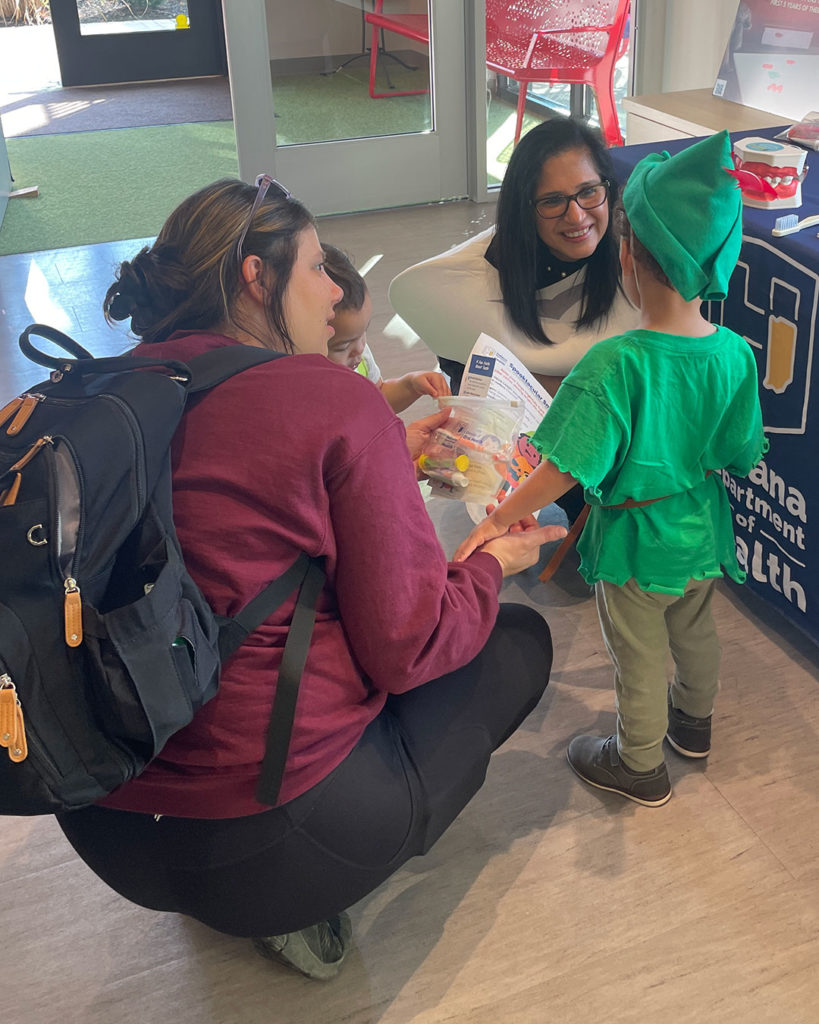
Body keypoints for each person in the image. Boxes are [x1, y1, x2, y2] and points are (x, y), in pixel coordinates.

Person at [53, 174, 567, 981]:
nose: (333, 291)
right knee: (511, 641)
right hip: (266, 842)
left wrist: (383, 457)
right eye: (316, 268)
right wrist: (491, 563)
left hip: (98, 818)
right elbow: (409, 645)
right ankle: (302, 907)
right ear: (255, 279)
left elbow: (222, 509)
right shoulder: (327, 397)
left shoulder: (103, 389)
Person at [454, 131, 767, 808]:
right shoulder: (736, 354)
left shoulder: (612, 365)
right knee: (695, 632)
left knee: (638, 654)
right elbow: (741, 454)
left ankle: (637, 764)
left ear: (626, 254)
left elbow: (562, 470)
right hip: (703, 534)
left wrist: (501, 517)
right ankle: (694, 727)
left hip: (633, 544)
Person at [389, 116, 639, 399]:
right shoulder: (465, 285)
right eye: (553, 200)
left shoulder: (639, 252)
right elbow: (481, 394)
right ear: (524, 208)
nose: (577, 216)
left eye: (589, 191)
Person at [322, 243, 451, 413]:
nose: (359, 349)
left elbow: (377, 399)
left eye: (363, 333)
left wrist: (410, 385)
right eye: (343, 346)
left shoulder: (360, 356)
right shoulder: (309, 388)